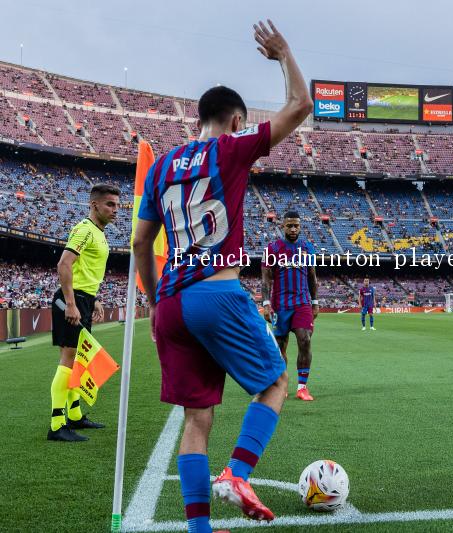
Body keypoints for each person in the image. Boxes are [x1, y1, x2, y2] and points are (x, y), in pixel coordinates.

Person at [133, 20, 312, 530]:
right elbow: (300, 105)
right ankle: (237, 472)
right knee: (276, 380)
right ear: (235, 120)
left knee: (197, 417)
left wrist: (150, 300)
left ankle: (199, 528)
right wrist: (283, 54)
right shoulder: (230, 149)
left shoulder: (163, 165)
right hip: (216, 291)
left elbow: (142, 242)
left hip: (170, 303)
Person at [48, 183, 119, 442]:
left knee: (80, 359)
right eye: (110, 204)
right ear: (94, 204)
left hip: (84, 299)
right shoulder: (84, 230)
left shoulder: (99, 233)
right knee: (68, 359)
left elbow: (85, 271)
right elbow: (64, 264)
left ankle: (75, 415)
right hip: (73, 300)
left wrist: (94, 299)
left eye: (117, 206)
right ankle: (57, 424)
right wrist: (70, 302)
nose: (115, 210)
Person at [262, 211, 319, 401]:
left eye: (296, 225)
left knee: (305, 340)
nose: (293, 229)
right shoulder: (272, 248)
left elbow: (312, 276)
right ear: (282, 226)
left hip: (302, 302)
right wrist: (266, 304)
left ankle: (302, 387)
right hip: (280, 304)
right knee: (280, 346)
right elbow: (266, 280)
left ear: (300, 226)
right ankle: (282, 384)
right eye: (289, 225)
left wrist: (315, 302)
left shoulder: (307, 248)